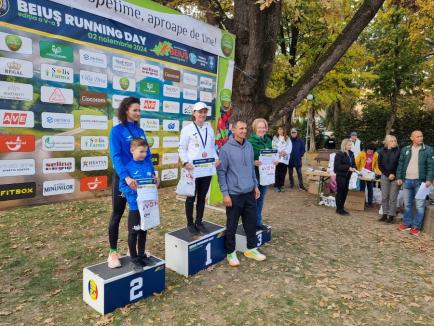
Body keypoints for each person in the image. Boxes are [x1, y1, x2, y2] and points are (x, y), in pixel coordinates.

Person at [108, 97, 153, 269]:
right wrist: (125, 176)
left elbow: (147, 155)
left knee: (139, 213)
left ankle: (132, 250)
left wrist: (153, 174)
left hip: (141, 180)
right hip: (124, 178)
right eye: (135, 110)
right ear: (126, 110)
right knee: (117, 213)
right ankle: (113, 252)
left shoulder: (140, 131)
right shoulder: (116, 131)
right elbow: (116, 156)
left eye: (139, 110)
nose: (138, 113)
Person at [217, 120, 266, 267]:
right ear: (233, 130)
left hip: (249, 192)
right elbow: (221, 173)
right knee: (231, 225)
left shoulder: (249, 146)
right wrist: (225, 194)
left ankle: (251, 249)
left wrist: (255, 186)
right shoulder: (225, 149)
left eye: (245, 128)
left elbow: (251, 169)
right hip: (234, 194)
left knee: (250, 223)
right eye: (241, 128)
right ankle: (230, 252)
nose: (244, 131)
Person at [178, 102, 220, 235]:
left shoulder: (209, 128)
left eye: (204, 112)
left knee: (202, 197)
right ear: (194, 113)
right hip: (193, 169)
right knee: (191, 197)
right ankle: (190, 223)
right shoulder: (187, 129)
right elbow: (182, 148)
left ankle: (199, 222)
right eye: (199, 112)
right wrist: (185, 163)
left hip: (206, 168)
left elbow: (212, 147)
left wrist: (216, 158)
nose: (202, 114)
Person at [119, 138, 157, 269]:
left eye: (145, 152)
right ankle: (134, 258)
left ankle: (141, 256)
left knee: (143, 231)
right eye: (141, 151)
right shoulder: (128, 168)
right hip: (135, 207)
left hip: (147, 206)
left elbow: (153, 181)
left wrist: (156, 181)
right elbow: (122, 187)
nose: (144, 154)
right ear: (132, 150)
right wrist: (132, 190)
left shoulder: (148, 165)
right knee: (133, 233)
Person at [396, 130, 433, 236]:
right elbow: (400, 164)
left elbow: (431, 166)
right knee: (407, 204)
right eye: (418, 136)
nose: (420, 138)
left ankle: (416, 227)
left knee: (420, 206)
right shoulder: (406, 149)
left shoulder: (428, 150)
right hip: (407, 181)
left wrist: (429, 179)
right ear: (412, 138)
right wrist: (399, 177)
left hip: (421, 183)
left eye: (421, 136)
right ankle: (406, 223)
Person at [248, 118, 273, 230]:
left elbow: (271, 156)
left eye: (263, 127)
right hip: (254, 175)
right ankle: (250, 223)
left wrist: (275, 161)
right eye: (259, 127)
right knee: (253, 200)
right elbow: (244, 159)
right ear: (255, 128)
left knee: (261, 199)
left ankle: (258, 222)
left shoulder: (268, 141)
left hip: (266, 175)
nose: (262, 129)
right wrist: (253, 162)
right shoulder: (250, 142)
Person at [378, 135, 401, 223]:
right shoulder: (381, 151)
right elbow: (380, 165)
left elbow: (400, 165)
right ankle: (384, 214)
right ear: (387, 142)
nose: (394, 142)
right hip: (385, 176)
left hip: (395, 177)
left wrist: (395, 175)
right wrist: (388, 174)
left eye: (395, 141)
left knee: (393, 197)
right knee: (384, 197)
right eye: (392, 141)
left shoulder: (399, 151)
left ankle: (391, 216)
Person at [334, 139, 357, 215]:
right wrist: (347, 167)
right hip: (341, 176)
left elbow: (353, 164)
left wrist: (354, 167)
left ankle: (342, 208)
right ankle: (339, 209)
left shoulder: (351, 153)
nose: (350, 146)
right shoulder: (339, 154)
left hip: (348, 176)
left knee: (345, 192)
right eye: (349, 145)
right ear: (344, 145)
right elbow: (336, 167)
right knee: (340, 192)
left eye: (351, 145)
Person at [355, 143, 381, 208]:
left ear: (374, 151)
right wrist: (358, 170)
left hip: (370, 173)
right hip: (362, 173)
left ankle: (370, 203)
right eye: (368, 150)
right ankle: (361, 202)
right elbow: (356, 162)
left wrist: (378, 172)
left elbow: (377, 165)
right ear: (366, 149)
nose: (370, 152)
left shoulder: (376, 155)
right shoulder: (362, 153)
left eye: (371, 151)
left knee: (370, 188)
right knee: (362, 188)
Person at [272, 126, 292, 192]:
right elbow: (273, 146)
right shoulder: (275, 138)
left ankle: (281, 186)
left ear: (283, 130)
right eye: (279, 129)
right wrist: (279, 152)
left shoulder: (287, 138)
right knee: (277, 172)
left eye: (281, 129)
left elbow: (290, 147)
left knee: (283, 173)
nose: (280, 130)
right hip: (277, 158)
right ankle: (276, 186)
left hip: (285, 158)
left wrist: (285, 152)